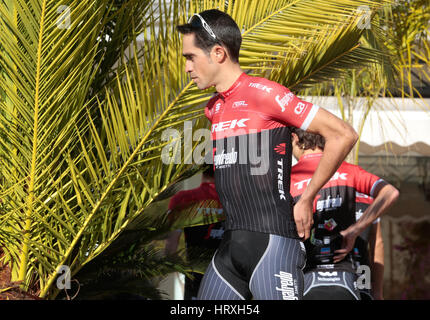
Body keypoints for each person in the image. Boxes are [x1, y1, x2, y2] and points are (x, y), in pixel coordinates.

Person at [177, 9, 358, 300]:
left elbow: (343, 134)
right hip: (230, 249)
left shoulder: (266, 94)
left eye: (191, 57)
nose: (187, 67)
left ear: (219, 53)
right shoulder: (213, 108)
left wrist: (309, 196)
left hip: (274, 245)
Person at [289, 128, 398, 300]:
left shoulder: (289, 178)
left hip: (305, 280)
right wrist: (355, 230)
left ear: (295, 138)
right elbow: (389, 193)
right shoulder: (350, 171)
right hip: (350, 282)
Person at [165, 166, 225, 300]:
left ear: (202, 170)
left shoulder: (183, 199)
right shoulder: (236, 201)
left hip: (195, 275)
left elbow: (171, 247)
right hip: (228, 276)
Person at [353, 193, 385, 300]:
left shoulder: (369, 198)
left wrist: (377, 291)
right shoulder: (368, 197)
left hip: (361, 273)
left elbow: (376, 243)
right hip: (360, 271)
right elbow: (377, 243)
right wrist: (377, 291)